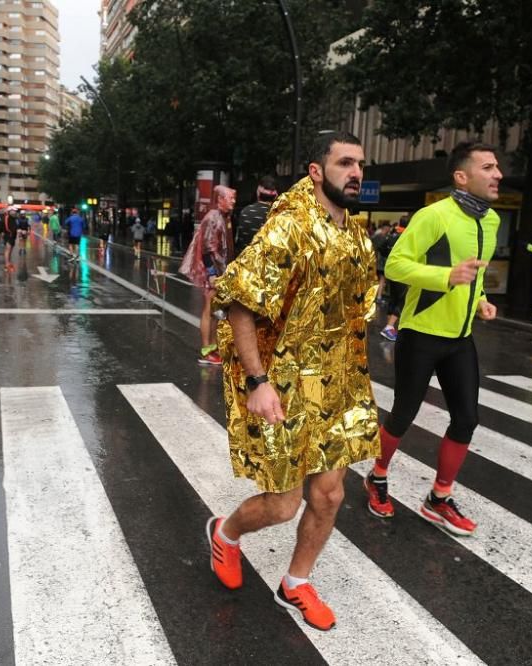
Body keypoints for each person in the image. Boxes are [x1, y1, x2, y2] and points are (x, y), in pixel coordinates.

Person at [207, 130, 378, 632]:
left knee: (328, 496)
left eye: (360, 164)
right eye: (345, 163)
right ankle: (226, 531)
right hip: (281, 384)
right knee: (283, 504)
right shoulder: (288, 228)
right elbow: (240, 302)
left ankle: (296, 583)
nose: (356, 173)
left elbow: (357, 306)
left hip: (338, 384)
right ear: (316, 171)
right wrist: (258, 380)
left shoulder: (356, 233)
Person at [365, 140, 501, 535]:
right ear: (463, 176)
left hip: (460, 337)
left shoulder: (490, 222)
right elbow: (395, 265)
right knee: (404, 414)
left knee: (467, 419)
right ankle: (376, 476)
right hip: (421, 332)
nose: (498, 175)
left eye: (497, 168)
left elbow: (472, 275)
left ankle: (438, 498)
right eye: (488, 167)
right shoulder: (433, 215)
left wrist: (481, 301)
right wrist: (446, 277)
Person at [179, 185, 236, 365]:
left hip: (222, 271)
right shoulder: (213, 218)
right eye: (230, 198)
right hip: (215, 272)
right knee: (210, 310)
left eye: (234, 198)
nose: (233, 201)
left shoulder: (224, 217)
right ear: (219, 199)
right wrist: (212, 274)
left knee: (216, 312)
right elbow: (206, 248)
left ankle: (212, 347)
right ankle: (206, 350)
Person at [376, 222, 405, 340]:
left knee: (393, 297)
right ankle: (389, 326)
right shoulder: (405, 236)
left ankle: (389, 327)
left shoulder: (391, 235)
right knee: (403, 299)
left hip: (391, 269)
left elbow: (381, 247)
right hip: (401, 271)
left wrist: (388, 257)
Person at [234, 175, 278, 250]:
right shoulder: (278, 215)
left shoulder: (245, 212)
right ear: (275, 196)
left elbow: (239, 241)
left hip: (246, 259)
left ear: (258, 193)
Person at [2, 207, 19, 272]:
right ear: (9, 211)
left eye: (15, 211)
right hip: (8, 235)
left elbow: (16, 226)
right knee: (8, 249)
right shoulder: (7, 218)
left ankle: (9, 262)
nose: (14, 212)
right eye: (13, 211)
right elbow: (5, 227)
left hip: (13, 236)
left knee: (10, 250)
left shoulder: (14, 218)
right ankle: (6, 264)